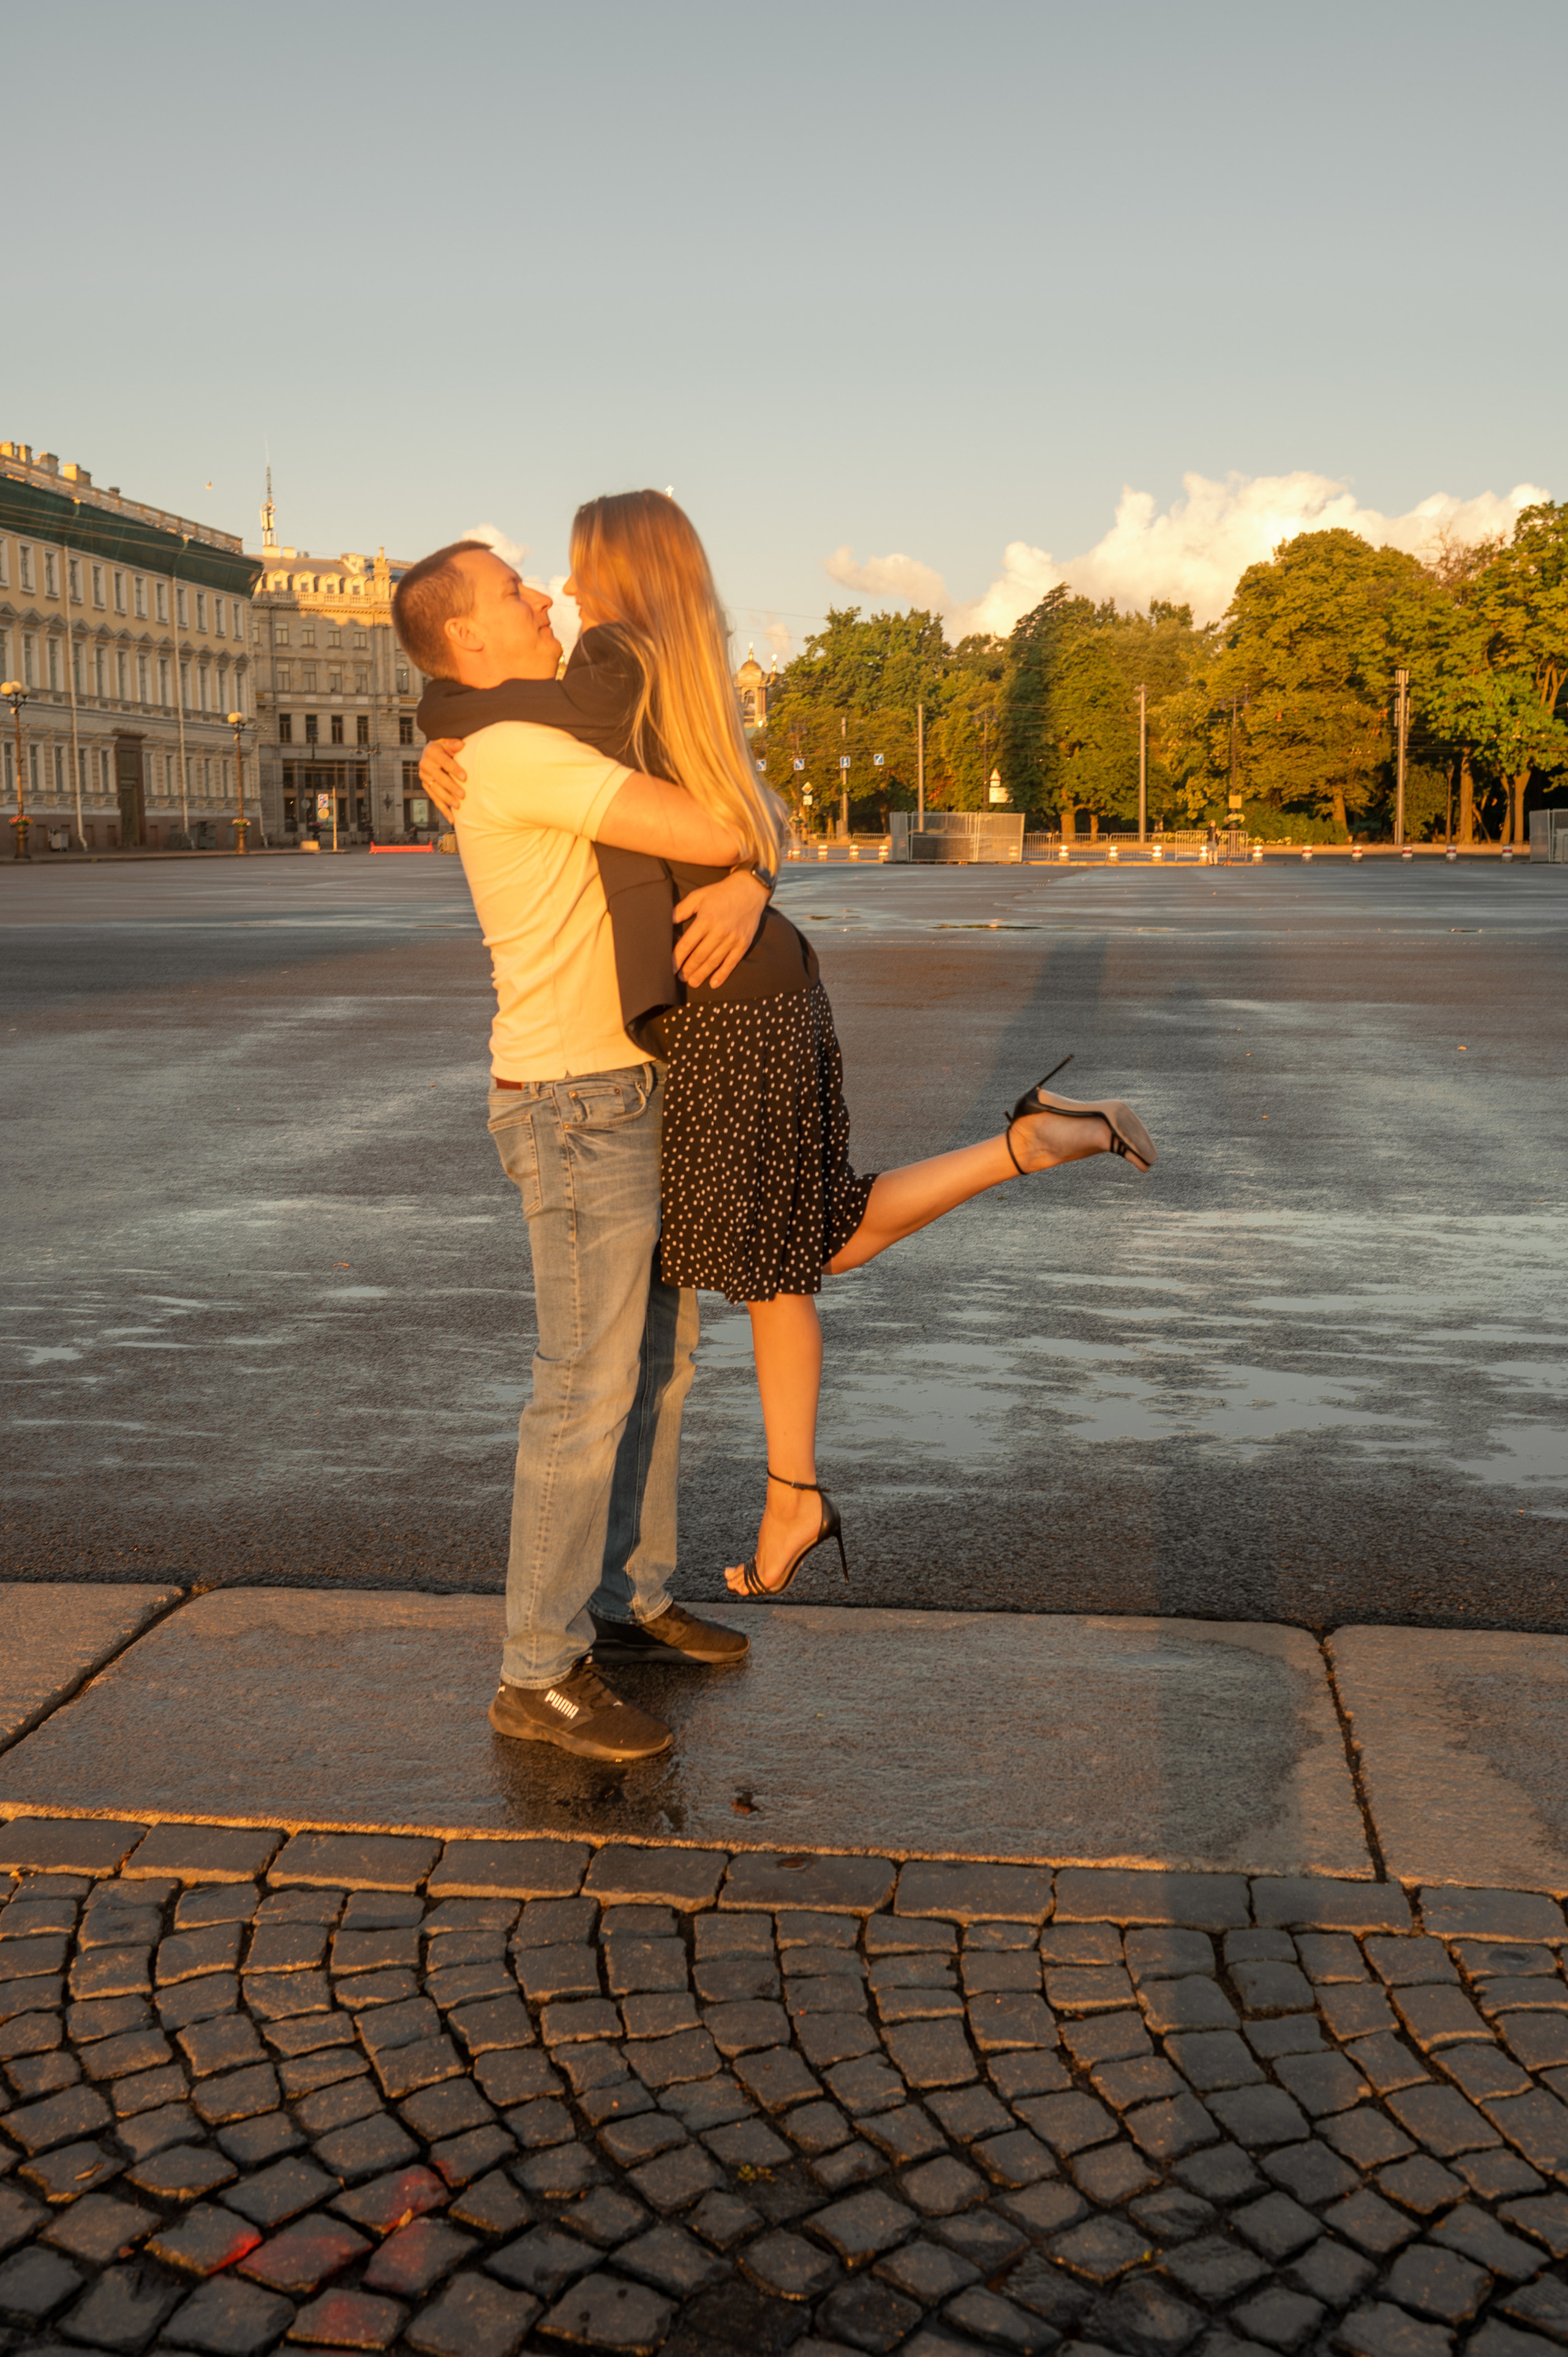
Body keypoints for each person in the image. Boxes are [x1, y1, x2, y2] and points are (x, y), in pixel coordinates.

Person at [420, 494, 1158, 1604]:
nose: (560, 592)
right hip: (761, 982)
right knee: (805, 1239)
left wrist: (442, 725)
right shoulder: (675, 662)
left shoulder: (613, 659)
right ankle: (1029, 1147)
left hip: (723, 1003)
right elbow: (747, 799)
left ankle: (793, 1497)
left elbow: (532, 721)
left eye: (574, 569)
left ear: (622, 571)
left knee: (780, 1263)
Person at [391, 539, 772, 1765]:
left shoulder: (505, 731)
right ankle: (535, 1671)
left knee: (656, 1364)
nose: (544, 598)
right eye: (515, 590)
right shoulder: (514, 752)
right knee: (584, 1387)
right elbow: (712, 823)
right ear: (468, 639)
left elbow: (713, 817)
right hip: (573, 1102)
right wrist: (747, 864)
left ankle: (626, 1601)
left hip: (626, 1081)